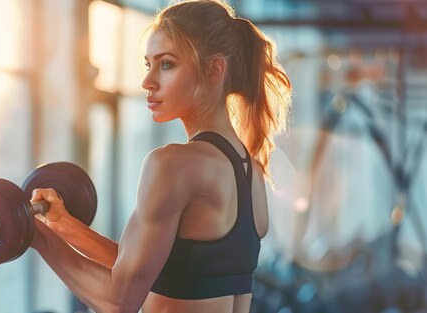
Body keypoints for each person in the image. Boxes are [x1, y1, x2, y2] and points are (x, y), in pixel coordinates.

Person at [29, 0, 292, 312]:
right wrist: (63, 226)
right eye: (148, 64)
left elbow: (119, 299)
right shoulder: (252, 172)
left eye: (166, 64)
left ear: (214, 70)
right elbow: (149, 267)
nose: (147, 81)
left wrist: (33, 235)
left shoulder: (173, 165)